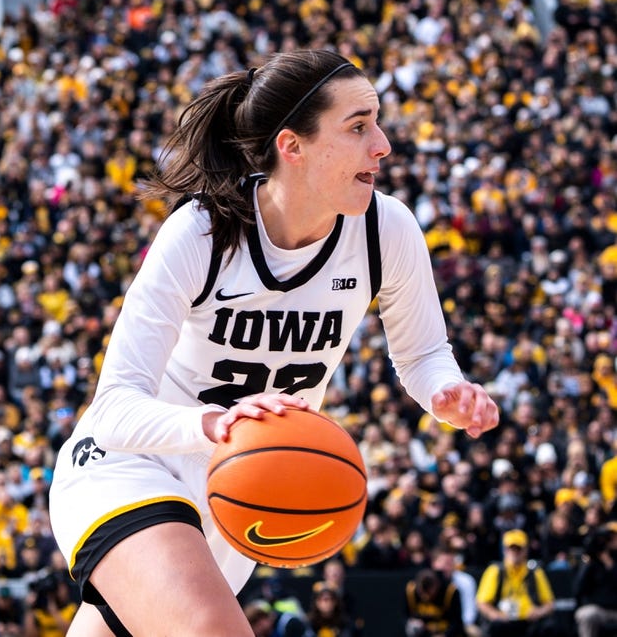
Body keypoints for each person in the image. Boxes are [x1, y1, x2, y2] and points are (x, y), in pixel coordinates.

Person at [47, 50, 501, 637]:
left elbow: (421, 354)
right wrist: (213, 423)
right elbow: (112, 411)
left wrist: (445, 391)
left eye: (378, 121)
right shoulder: (202, 232)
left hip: (241, 490)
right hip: (133, 467)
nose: (383, 144)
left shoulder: (387, 230)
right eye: (359, 126)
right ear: (293, 146)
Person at [475, 529, 558, 637]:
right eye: (511, 548)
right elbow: (481, 602)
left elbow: (550, 604)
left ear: (526, 550)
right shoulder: (495, 571)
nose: (515, 552)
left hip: (528, 622)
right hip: (504, 622)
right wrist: (495, 615)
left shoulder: (535, 572)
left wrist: (539, 612)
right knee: (496, 627)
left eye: (518, 549)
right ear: (505, 550)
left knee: (549, 627)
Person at [573, 521, 617, 637]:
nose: (612, 541)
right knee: (586, 614)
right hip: (599, 609)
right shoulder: (592, 562)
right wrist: (588, 564)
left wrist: (610, 565)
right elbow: (578, 589)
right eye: (609, 538)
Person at [404, 567, 465, 637]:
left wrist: (444, 635)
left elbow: (457, 622)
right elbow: (404, 615)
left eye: (429, 593)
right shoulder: (411, 591)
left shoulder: (450, 591)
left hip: (445, 632)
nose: (426, 598)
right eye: (422, 594)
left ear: (436, 585)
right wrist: (411, 622)